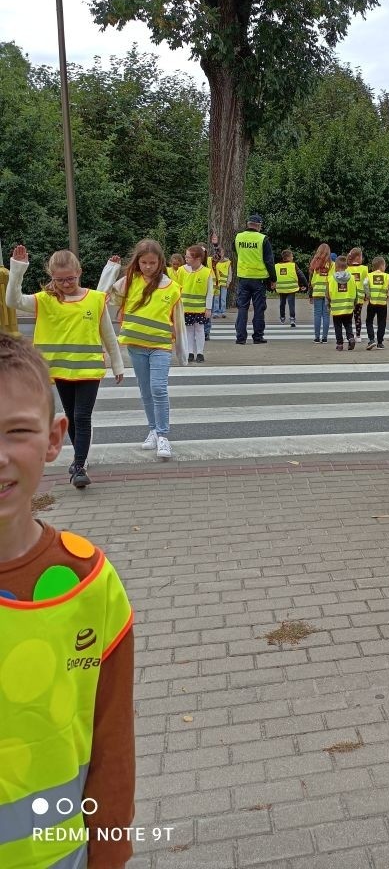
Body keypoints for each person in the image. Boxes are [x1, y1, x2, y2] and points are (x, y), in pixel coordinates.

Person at [0, 334, 135, 869]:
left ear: (55, 439)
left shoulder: (90, 585)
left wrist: (108, 856)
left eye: (17, 431)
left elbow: (112, 750)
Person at [6, 245, 124, 489]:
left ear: (79, 272)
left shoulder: (94, 299)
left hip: (88, 370)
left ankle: (79, 465)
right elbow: (12, 300)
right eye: (59, 280)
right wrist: (18, 269)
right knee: (71, 416)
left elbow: (108, 335)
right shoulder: (45, 300)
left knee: (82, 416)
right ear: (52, 277)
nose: (66, 284)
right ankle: (80, 460)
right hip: (60, 370)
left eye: (70, 278)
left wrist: (117, 365)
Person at [98, 240, 187, 461]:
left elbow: (179, 322)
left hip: (160, 347)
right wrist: (111, 270)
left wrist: (182, 353)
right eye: (144, 262)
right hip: (136, 346)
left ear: (160, 262)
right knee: (146, 390)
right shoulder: (129, 281)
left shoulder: (171, 287)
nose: (148, 266)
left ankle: (163, 434)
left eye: (153, 263)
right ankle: (154, 431)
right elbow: (101, 297)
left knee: (158, 388)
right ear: (137, 262)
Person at [234, 214, 275, 344]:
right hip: (259, 279)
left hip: (243, 278)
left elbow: (235, 251)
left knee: (242, 308)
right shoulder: (263, 239)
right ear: (258, 225)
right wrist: (273, 278)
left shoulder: (238, 237)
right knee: (259, 308)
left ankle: (240, 337)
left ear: (248, 224)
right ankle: (257, 337)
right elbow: (269, 261)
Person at [177, 245, 213, 363]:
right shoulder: (181, 270)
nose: (186, 258)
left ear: (198, 259)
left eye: (188, 257)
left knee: (199, 329)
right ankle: (190, 352)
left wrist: (208, 308)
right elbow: (176, 288)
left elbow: (210, 292)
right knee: (188, 330)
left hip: (200, 308)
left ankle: (200, 353)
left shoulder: (207, 272)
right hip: (185, 307)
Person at [327, 254, 361, 351]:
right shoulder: (352, 278)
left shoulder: (331, 279)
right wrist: (355, 303)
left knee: (337, 326)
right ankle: (350, 338)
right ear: (346, 266)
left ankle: (340, 344)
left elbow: (328, 294)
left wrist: (328, 304)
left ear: (336, 267)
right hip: (348, 307)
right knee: (348, 324)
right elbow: (356, 292)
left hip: (336, 308)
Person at [364, 256, 389, 350]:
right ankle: (380, 343)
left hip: (372, 302)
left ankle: (371, 340)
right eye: (385, 265)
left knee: (369, 321)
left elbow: (365, 284)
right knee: (381, 322)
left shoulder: (369, 275)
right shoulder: (386, 276)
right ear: (382, 266)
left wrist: (368, 294)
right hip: (382, 303)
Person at [275, 248, 308, 326]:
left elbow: (273, 276)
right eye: (292, 256)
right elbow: (301, 275)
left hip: (281, 288)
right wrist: (305, 284)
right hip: (291, 289)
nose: (293, 258)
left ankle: (282, 318)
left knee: (282, 303)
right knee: (291, 304)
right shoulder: (293, 265)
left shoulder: (276, 266)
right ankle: (292, 319)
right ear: (288, 257)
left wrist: (271, 284)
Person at [309, 243, 332, 343]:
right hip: (327, 293)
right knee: (326, 315)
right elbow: (332, 279)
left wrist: (312, 291)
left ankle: (317, 337)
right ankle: (325, 338)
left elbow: (312, 280)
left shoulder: (315, 263)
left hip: (317, 292)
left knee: (317, 314)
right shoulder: (332, 264)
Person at [347, 248, 368, 342]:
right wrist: (367, 295)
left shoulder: (347, 269)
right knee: (357, 316)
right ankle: (358, 336)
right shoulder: (364, 269)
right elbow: (366, 283)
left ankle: (349, 336)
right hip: (360, 298)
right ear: (358, 257)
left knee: (348, 317)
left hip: (349, 297)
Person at [213, 247, 232, 318]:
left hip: (224, 283)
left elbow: (230, 273)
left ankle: (223, 312)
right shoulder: (214, 261)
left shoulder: (227, 262)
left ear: (223, 253)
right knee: (216, 298)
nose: (220, 254)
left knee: (223, 298)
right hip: (216, 282)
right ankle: (215, 312)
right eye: (218, 253)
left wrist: (228, 282)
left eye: (221, 252)